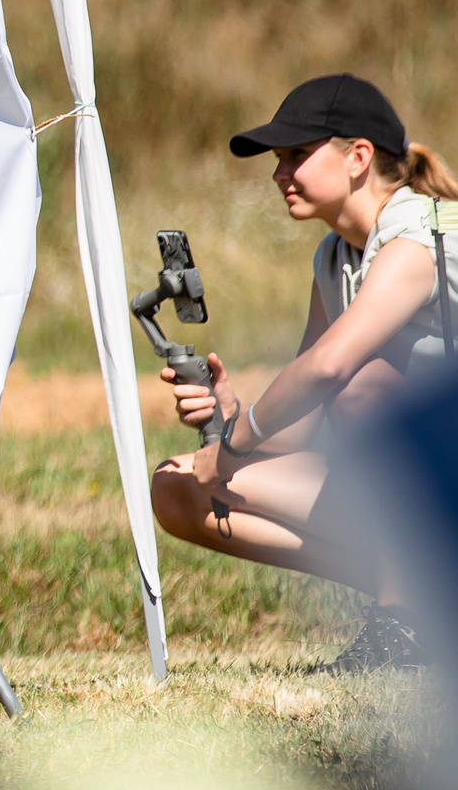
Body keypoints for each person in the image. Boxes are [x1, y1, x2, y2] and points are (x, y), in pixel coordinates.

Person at [153, 74, 458, 673]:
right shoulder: (334, 257)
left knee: (367, 386)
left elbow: (331, 369)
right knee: (176, 489)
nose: (278, 174)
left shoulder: (419, 234)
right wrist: (229, 415)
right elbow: (309, 413)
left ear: (358, 158)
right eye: (277, 159)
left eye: (295, 155)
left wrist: (235, 449)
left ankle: (407, 630)